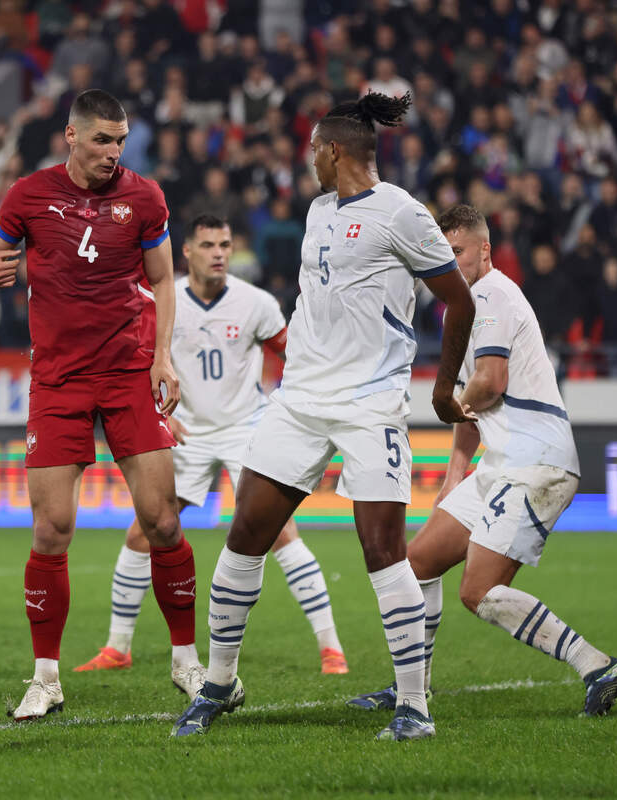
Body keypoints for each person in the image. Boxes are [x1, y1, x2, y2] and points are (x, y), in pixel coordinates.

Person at [171, 92, 476, 742]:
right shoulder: (317, 211)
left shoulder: (402, 213)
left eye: (312, 149)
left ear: (333, 152)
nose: (305, 159)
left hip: (370, 405)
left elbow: (459, 302)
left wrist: (444, 391)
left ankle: (415, 709)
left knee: (382, 551)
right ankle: (219, 684)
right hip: (300, 401)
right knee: (245, 535)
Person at [348, 205, 617, 719]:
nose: (450, 264)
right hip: (499, 463)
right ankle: (413, 686)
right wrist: (455, 475)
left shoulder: (492, 294)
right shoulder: (459, 307)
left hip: (536, 462)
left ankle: (597, 665)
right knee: (416, 565)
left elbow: (489, 383)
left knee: (478, 590)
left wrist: (445, 399)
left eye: (457, 252)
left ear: (484, 251)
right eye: (443, 255)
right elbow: (469, 405)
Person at [0, 89, 200, 720]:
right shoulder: (27, 195)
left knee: (163, 522)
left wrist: (163, 356)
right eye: (102, 140)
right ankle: (46, 677)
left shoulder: (145, 197)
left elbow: (161, 280)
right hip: (59, 378)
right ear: (71, 137)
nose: (113, 153)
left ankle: (186, 660)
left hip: (127, 369)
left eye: (121, 140)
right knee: (51, 530)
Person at [75, 215, 348, 677]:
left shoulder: (255, 303)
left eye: (225, 243)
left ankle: (331, 647)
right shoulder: (165, 301)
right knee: (143, 532)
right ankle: (117, 646)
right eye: (208, 245)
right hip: (187, 430)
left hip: (248, 429)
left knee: (280, 531)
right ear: (187, 251)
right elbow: (134, 362)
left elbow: (293, 357)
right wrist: (160, 413)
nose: (219, 253)